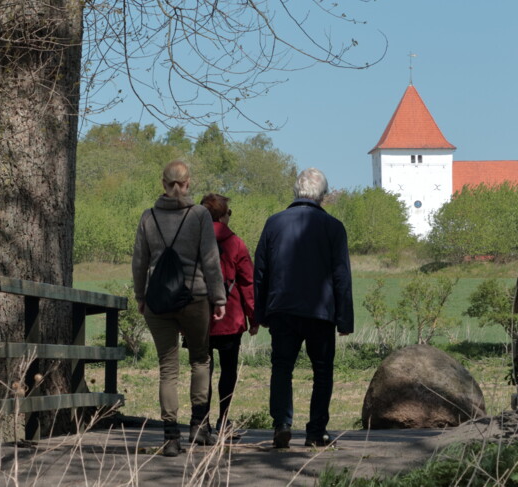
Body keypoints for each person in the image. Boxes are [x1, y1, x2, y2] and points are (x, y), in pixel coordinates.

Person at [132, 160, 226, 457]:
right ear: (187, 184)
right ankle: (198, 427)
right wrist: (219, 298)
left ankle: (171, 437)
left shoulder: (148, 217)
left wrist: (140, 296)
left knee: (167, 368)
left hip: (158, 301)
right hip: (195, 298)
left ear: (164, 184)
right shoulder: (199, 215)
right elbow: (210, 261)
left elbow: (139, 262)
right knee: (200, 359)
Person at [254, 168, 353, 449]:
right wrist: (344, 318)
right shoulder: (334, 227)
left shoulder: (273, 224)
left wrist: (259, 312)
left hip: (283, 309)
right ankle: (315, 431)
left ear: (297, 192)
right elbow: (341, 276)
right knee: (322, 371)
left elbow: (260, 271)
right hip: (320, 311)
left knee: (282, 367)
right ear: (322, 195)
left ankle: (282, 424)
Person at [200, 193, 259, 439]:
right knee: (228, 372)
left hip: (199, 318)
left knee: (201, 371)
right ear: (223, 215)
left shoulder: (193, 241)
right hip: (229, 320)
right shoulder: (236, 243)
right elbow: (247, 283)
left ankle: (200, 423)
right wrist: (254, 317)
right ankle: (224, 421)